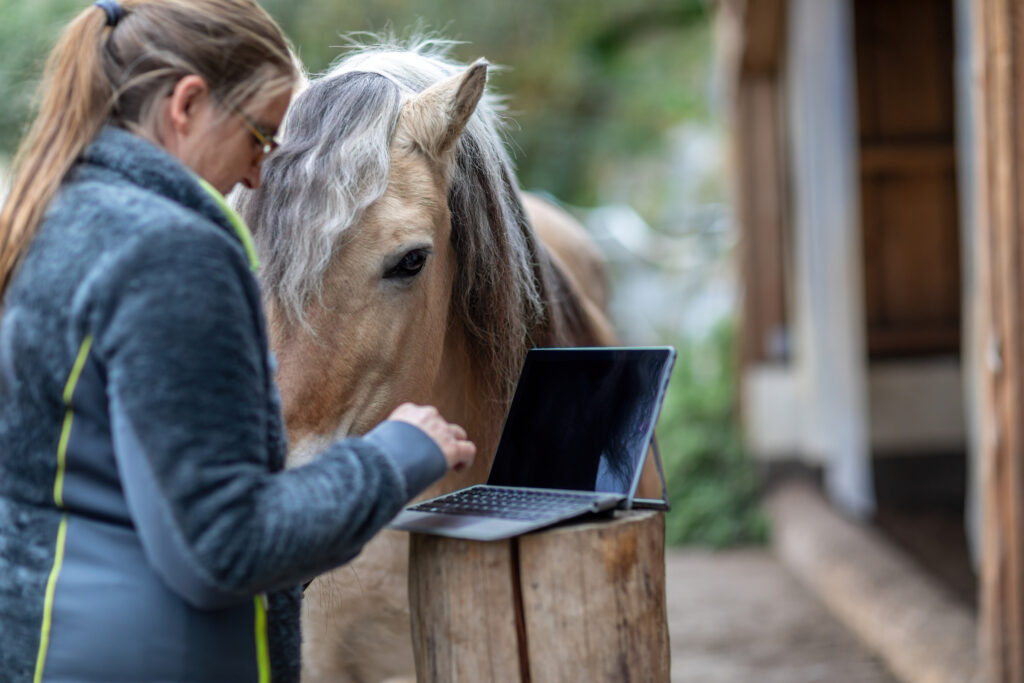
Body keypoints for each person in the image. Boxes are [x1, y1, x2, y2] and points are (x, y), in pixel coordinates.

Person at [0, 1, 476, 681]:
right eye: (261, 137)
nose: (260, 175)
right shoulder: (174, 251)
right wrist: (398, 455)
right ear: (187, 106)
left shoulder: (56, 216)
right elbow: (224, 548)